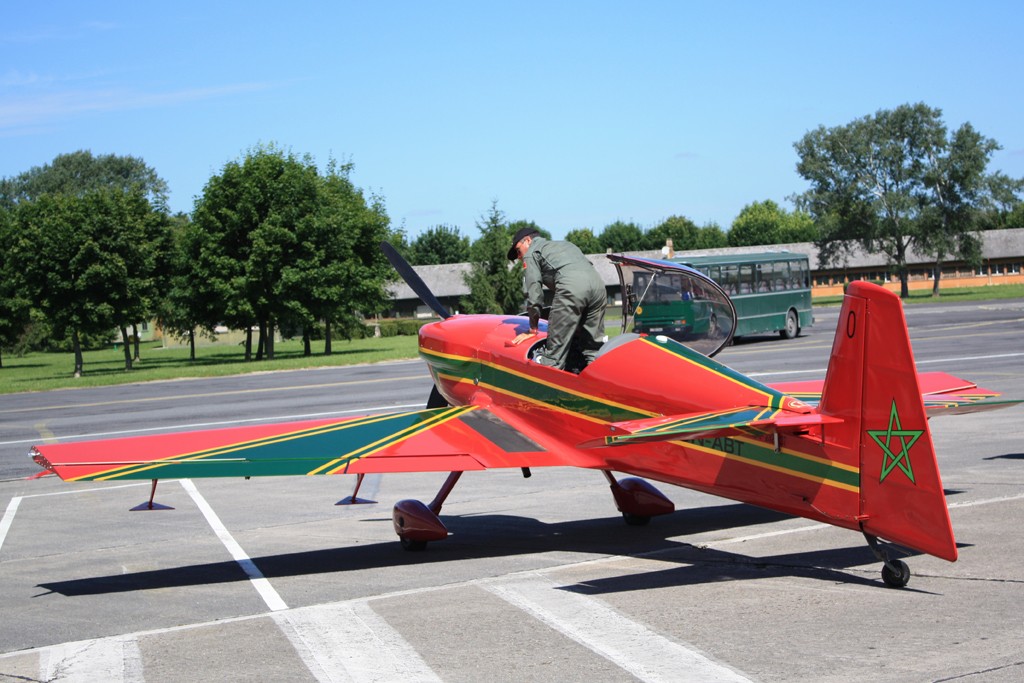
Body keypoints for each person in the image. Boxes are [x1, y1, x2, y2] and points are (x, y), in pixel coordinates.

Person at [506, 227, 606, 371]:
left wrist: (533, 327)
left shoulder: (532, 252)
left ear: (528, 241)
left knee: (553, 357)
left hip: (573, 289)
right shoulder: (565, 245)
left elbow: (535, 294)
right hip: (598, 287)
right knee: (593, 351)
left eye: (518, 251)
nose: (519, 257)